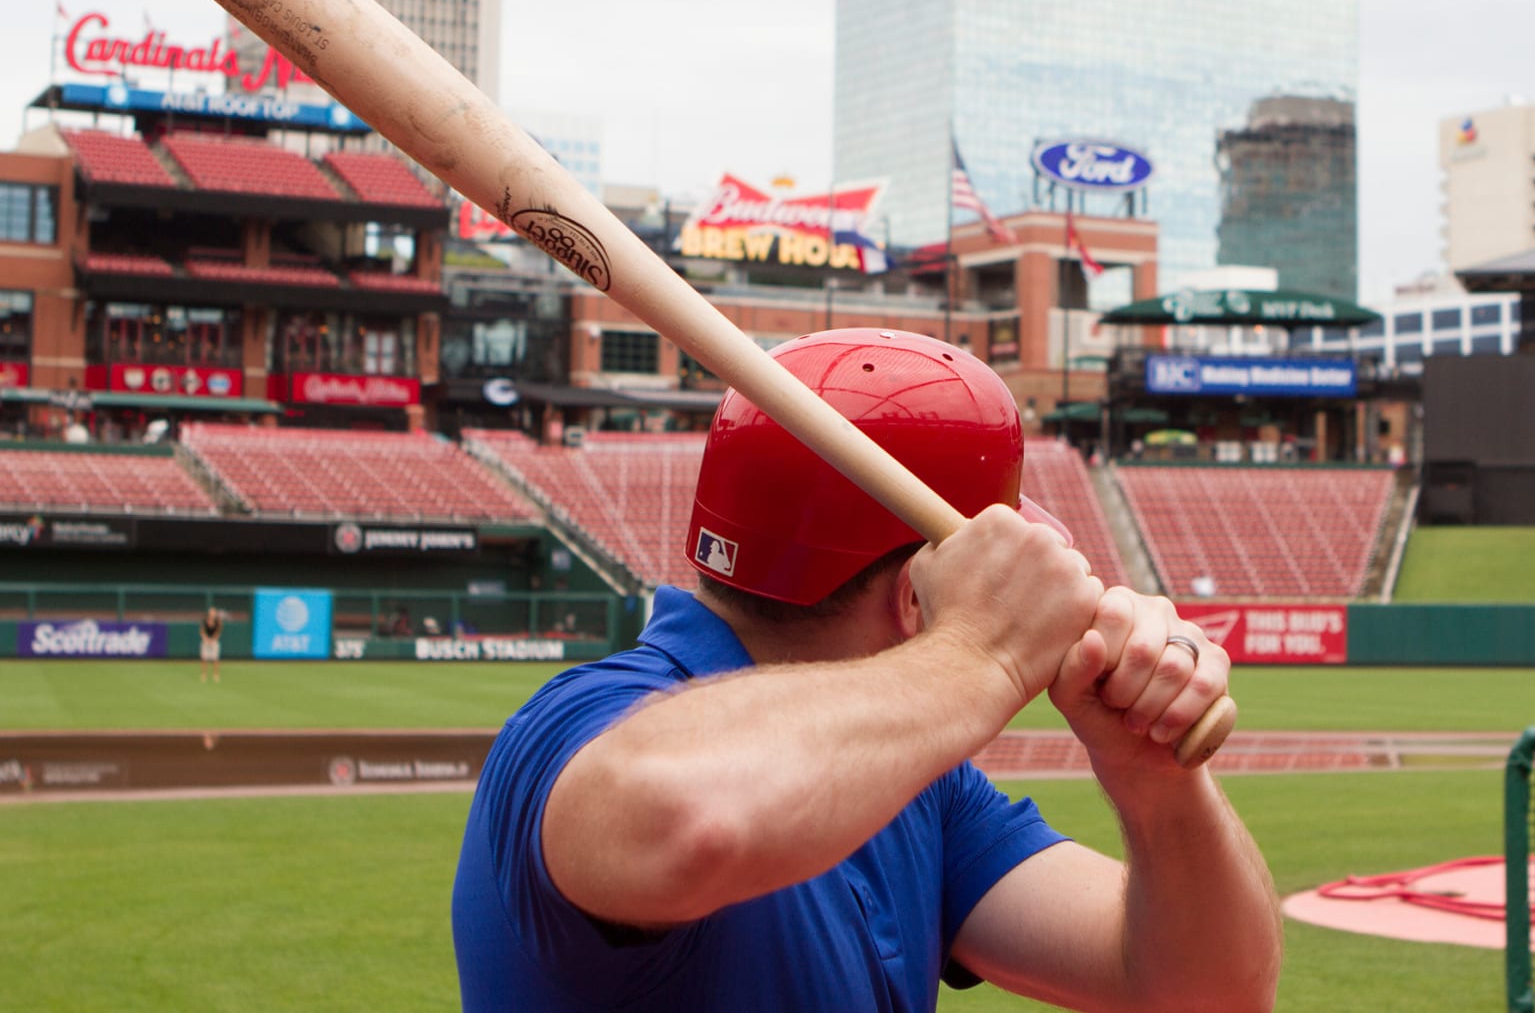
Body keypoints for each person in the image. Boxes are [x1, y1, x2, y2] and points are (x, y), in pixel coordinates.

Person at [452, 330, 1279, 1011]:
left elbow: (1205, 992)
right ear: (921, 593)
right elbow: (685, 820)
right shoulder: (574, 726)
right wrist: (978, 657)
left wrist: (1154, 781)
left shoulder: (915, 783)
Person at [199, 605, 224, 684]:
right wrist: (205, 639)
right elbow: (201, 631)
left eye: (214, 613)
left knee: (215, 658)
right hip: (205, 640)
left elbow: (218, 632)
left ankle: (216, 674)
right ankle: (204, 674)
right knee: (204, 658)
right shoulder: (205, 621)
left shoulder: (218, 622)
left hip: (214, 641)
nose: (212, 614)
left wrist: (213, 639)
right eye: (211, 613)